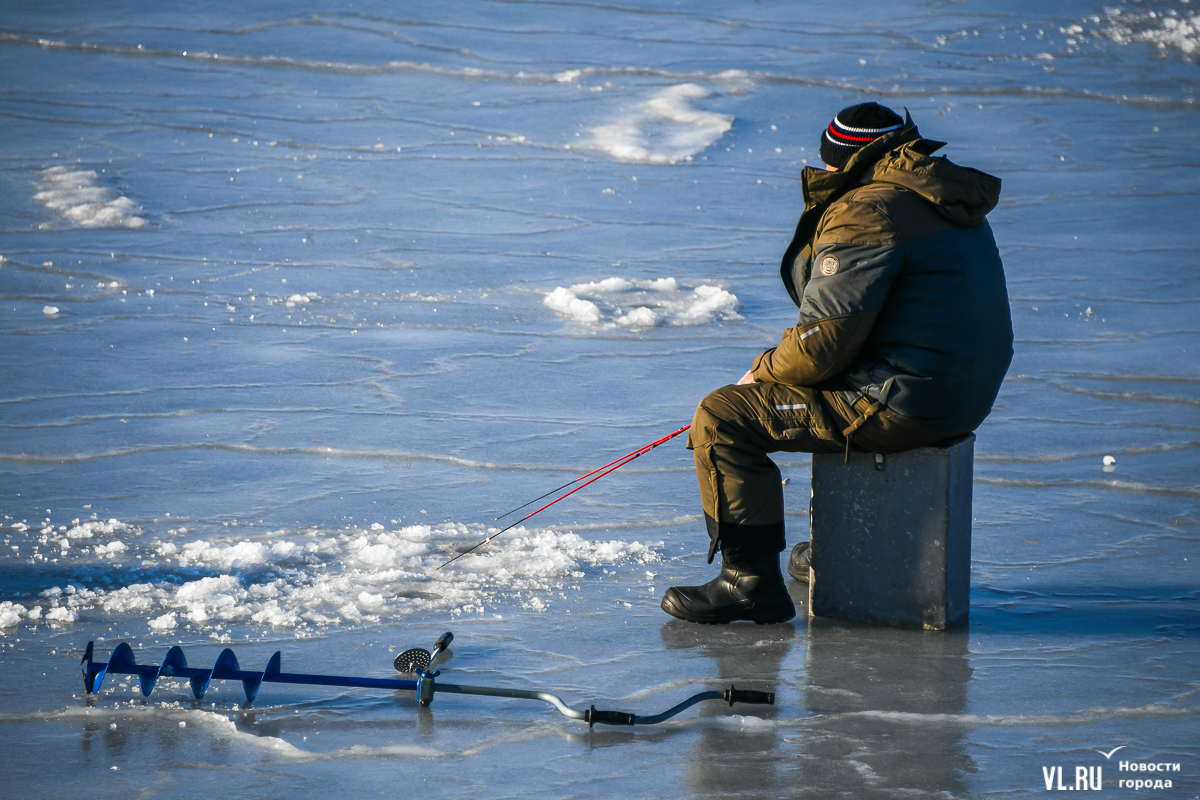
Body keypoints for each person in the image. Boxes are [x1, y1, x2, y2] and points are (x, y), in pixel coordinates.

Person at [661, 102, 1014, 624]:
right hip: (958, 393)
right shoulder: (937, 193)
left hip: (903, 401)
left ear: (844, 160)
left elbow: (822, 344)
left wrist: (760, 372)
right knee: (791, 395)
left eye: (828, 164)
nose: (824, 173)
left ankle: (748, 582)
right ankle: (840, 549)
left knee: (724, 416)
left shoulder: (868, 210)